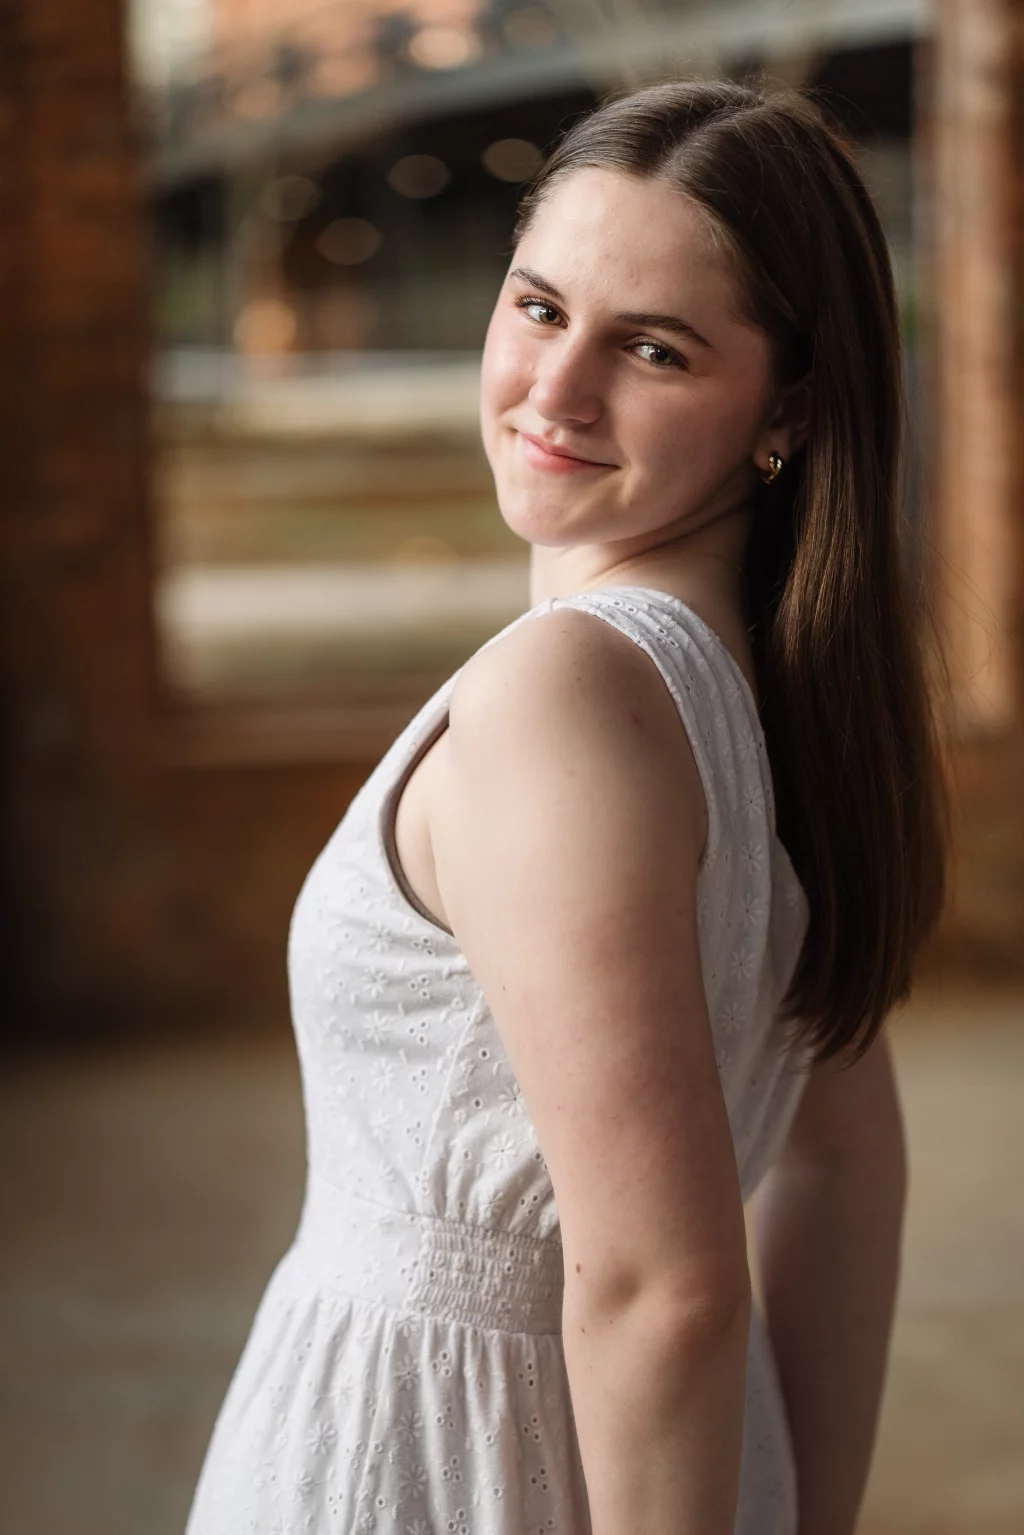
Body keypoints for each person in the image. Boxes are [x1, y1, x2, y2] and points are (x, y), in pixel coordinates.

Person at [184, 79, 947, 1535]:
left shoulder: (564, 698)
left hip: (427, 1457)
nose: (557, 389)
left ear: (787, 402)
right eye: (539, 307)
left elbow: (668, 1281)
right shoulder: (783, 698)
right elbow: (842, 1158)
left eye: (652, 348)